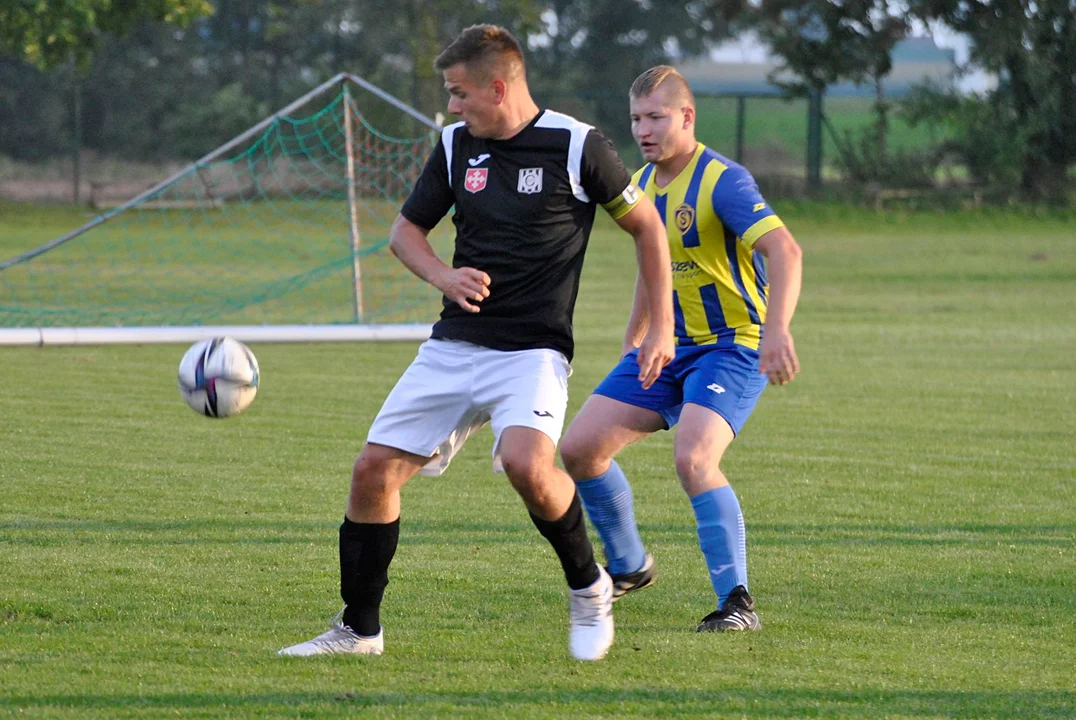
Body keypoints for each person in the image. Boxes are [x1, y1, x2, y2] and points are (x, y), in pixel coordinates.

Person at [278, 26, 675, 661]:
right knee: (372, 472)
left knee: (526, 465)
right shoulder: (456, 146)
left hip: (533, 351)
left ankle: (589, 586)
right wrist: (442, 274)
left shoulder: (578, 146)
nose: (453, 106)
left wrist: (661, 326)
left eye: (460, 93)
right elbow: (405, 232)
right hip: (454, 345)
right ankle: (358, 630)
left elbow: (647, 229)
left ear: (499, 85)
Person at [559, 65, 803, 633]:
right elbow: (653, 270)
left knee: (694, 458)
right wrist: (635, 337)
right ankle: (629, 566)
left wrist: (778, 330)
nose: (643, 129)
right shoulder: (640, 185)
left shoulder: (724, 180)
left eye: (656, 117)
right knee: (580, 449)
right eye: (636, 119)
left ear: (686, 117)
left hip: (733, 347)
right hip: (670, 346)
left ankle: (737, 603)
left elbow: (785, 250)